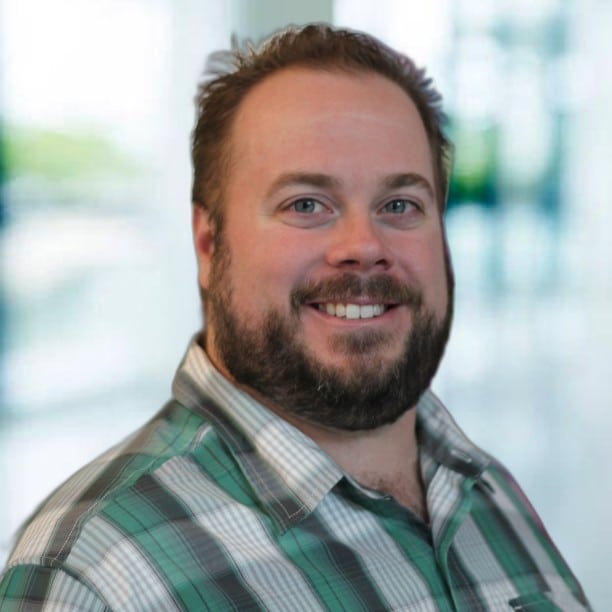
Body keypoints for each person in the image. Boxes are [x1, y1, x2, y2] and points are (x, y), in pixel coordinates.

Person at [0, 24, 590, 611]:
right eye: (306, 204)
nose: (364, 245)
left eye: (400, 204)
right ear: (208, 244)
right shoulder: (94, 576)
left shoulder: (488, 491)